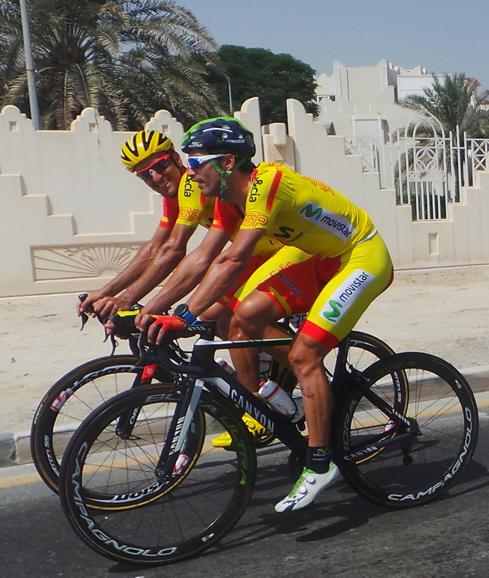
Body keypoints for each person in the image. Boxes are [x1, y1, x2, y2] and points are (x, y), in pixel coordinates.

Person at [137, 116, 394, 512]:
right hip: (323, 258)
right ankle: (295, 392)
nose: (189, 174)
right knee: (245, 316)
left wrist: (185, 316)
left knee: (303, 355)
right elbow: (206, 257)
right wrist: (159, 309)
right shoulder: (226, 198)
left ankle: (320, 464)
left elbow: (234, 260)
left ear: (225, 163)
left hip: (361, 256)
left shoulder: (266, 184)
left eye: (194, 164)